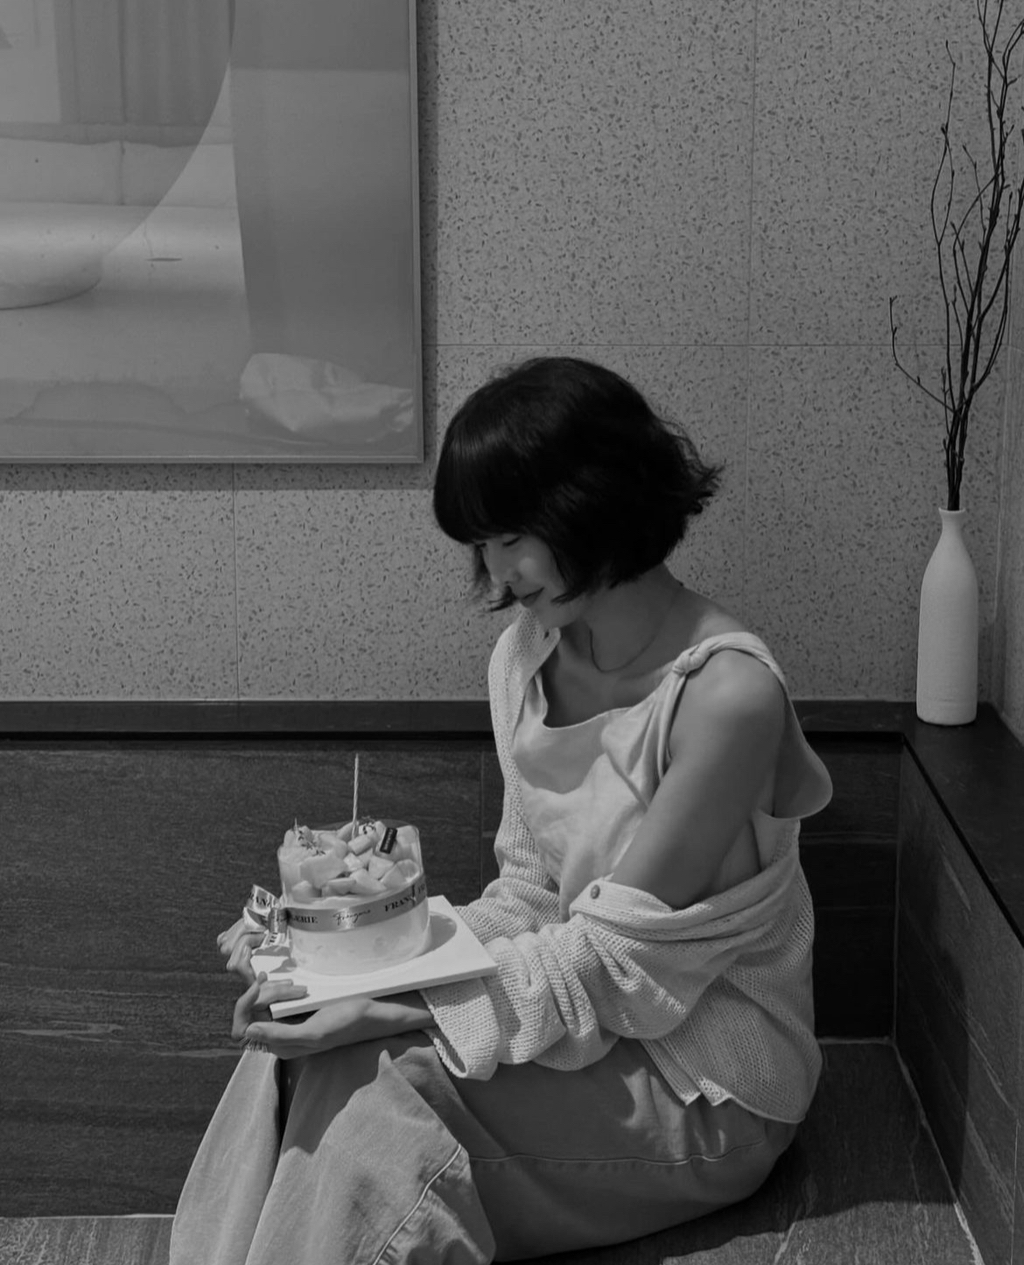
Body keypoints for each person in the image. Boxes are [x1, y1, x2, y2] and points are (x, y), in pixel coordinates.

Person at [170, 356, 833, 1265]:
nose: (495, 573)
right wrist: (339, 966)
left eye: (511, 536)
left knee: (371, 1100)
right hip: (580, 1019)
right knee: (305, 1049)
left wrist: (401, 1008)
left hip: (707, 1082)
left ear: (596, 499)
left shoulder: (727, 698)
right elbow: (529, 894)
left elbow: (614, 957)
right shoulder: (527, 656)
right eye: (479, 544)